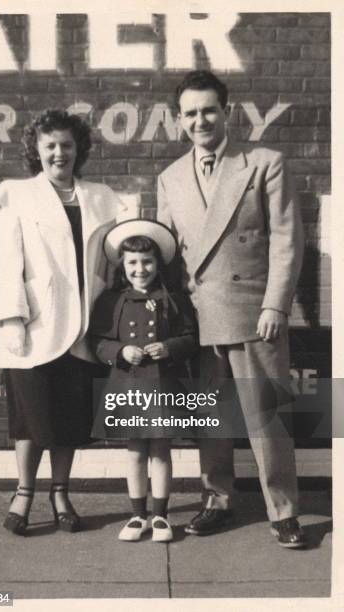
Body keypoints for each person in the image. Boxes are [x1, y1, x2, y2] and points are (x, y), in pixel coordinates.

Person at [157, 71, 307, 548]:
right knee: (210, 419)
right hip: (199, 315)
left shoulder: (263, 163)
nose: (200, 120)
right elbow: (165, 251)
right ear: (178, 121)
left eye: (208, 110)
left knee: (267, 419)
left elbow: (287, 239)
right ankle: (216, 499)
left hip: (252, 312)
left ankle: (283, 511)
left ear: (227, 111)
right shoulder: (170, 177)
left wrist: (275, 305)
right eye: (190, 113)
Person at [0, 109, 123, 535]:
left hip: (85, 326)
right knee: (30, 416)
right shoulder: (16, 194)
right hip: (35, 326)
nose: (59, 153)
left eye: (66, 144)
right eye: (50, 146)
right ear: (36, 151)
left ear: (78, 148)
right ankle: (24, 492)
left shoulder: (101, 197)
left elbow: (115, 262)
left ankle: (60, 492)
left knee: (70, 418)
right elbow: (7, 263)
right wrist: (12, 320)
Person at [89, 219, 197, 542]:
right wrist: (120, 351)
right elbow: (97, 342)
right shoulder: (112, 300)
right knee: (135, 451)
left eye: (147, 261)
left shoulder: (172, 298)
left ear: (158, 263)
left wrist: (168, 347)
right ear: (123, 265)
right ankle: (137, 515)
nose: (140, 269)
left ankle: (161, 516)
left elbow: (191, 337)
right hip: (128, 384)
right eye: (133, 262)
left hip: (163, 384)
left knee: (161, 451)